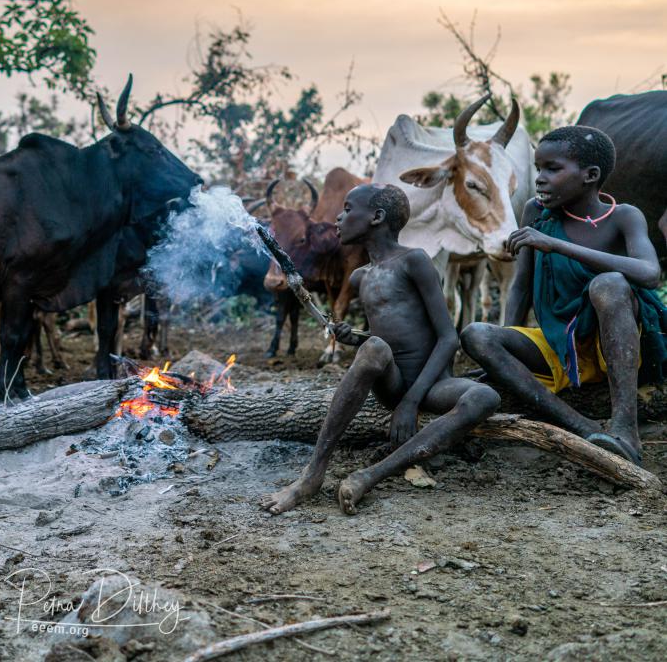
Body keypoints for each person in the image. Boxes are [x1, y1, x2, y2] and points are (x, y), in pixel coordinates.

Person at [261, 184, 499, 515]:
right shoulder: (360, 277)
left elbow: (448, 337)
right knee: (373, 345)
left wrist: (412, 403)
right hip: (392, 382)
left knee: (485, 397)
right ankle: (311, 475)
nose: (339, 218)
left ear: (376, 217)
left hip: (432, 386)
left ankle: (371, 475)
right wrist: (354, 337)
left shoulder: (414, 261)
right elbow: (383, 337)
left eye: (347, 209)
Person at [462, 126, 666, 466]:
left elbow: (648, 272)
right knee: (476, 334)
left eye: (552, 169)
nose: (540, 178)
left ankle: (625, 431)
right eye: (538, 168)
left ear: (590, 175)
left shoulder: (623, 217)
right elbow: (522, 286)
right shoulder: (536, 213)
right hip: (562, 345)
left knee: (610, 284)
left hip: (619, 344)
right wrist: (507, 350)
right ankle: (581, 426)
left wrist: (557, 245)